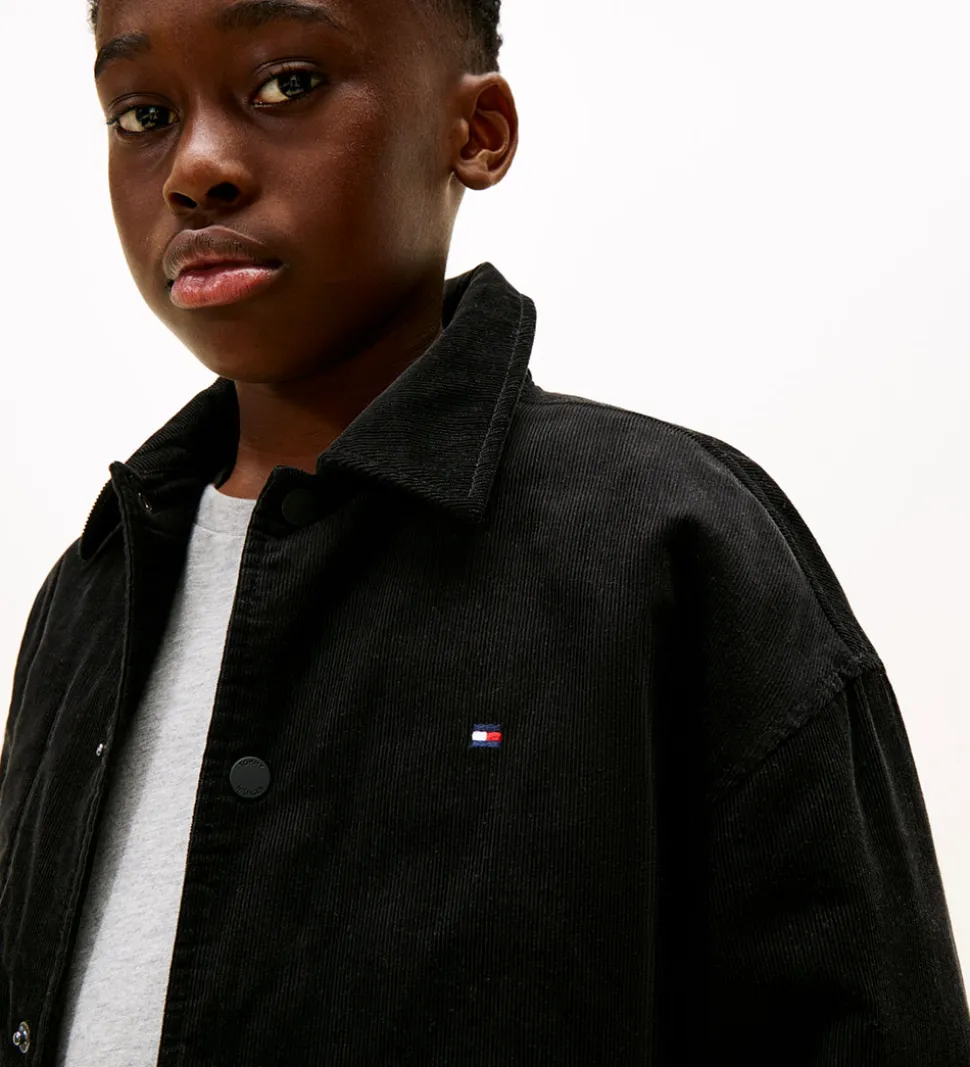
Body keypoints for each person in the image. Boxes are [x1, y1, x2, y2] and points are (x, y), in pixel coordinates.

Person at [1, 0, 968, 1064]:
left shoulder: (677, 548)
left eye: (287, 84)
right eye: (142, 115)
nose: (197, 170)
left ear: (478, 132)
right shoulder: (87, 594)